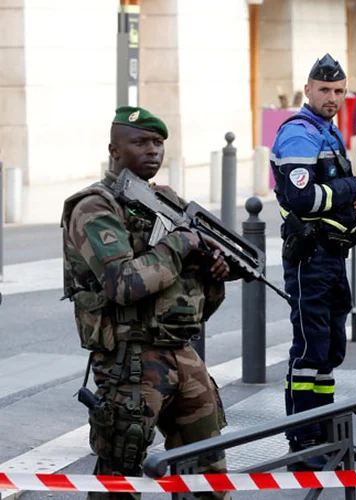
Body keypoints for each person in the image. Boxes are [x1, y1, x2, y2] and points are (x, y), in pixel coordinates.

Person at [61, 106, 232, 500]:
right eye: (140, 142)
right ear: (114, 150)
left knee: (206, 468)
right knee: (120, 475)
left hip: (181, 352)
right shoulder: (94, 207)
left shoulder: (167, 202)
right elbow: (122, 284)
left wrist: (211, 271)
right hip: (129, 360)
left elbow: (193, 301)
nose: (153, 150)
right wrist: (180, 244)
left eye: (158, 143)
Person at [271, 53, 356, 471]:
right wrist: (350, 187)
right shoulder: (299, 134)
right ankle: (304, 438)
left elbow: (332, 192)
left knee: (329, 347)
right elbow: (302, 197)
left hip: (332, 254)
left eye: (339, 91)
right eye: (325, 90)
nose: (332, 97)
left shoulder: (327, 132)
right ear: (308, 89)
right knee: (311, 347)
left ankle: (326, 429)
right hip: (310, 255)